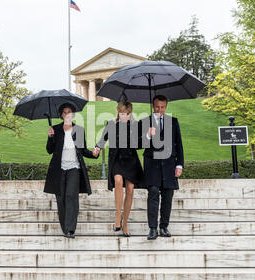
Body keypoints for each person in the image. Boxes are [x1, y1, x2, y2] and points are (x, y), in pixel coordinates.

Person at [44, 103, 98, 238]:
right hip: (59, 169)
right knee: (61, 197)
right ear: (61, 115)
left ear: (73, 114)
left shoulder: (78, 130)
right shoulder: (55, 129)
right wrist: (50, 137)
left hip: (74, 168)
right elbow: (49, 150)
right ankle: (65, 227)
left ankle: (70, 229)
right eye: (64, 112)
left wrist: (93, 154)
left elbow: (83, 150)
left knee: (71, 196)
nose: (67, 114)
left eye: (69, 112)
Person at [94, 101, 144, 237]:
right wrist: (97, 147)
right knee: (117, 180)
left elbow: (139, 145)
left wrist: (148, 136)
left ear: (130, 113)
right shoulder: (111, 124)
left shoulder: (135, 125)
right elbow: (102, 139)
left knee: (130, 188)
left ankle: (125, 222)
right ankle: (118, 216)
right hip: (116, 159)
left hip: (131, 160)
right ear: (118, 112)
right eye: (122, 113)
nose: (124, 116)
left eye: (127, 114)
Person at [138, 95, 184, 240]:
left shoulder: (173, 122)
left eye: (162, 107)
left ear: (166, 106)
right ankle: (152, 228)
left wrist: (179, 164)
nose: (160, 110)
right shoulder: (145, 122)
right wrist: (147, 135)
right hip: (152, 164)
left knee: (168, 195)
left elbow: (179, 144)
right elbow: (137, 145)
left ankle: (164, 226)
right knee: (152, 192)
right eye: (157, 107)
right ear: (153, 106)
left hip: (169, 164)